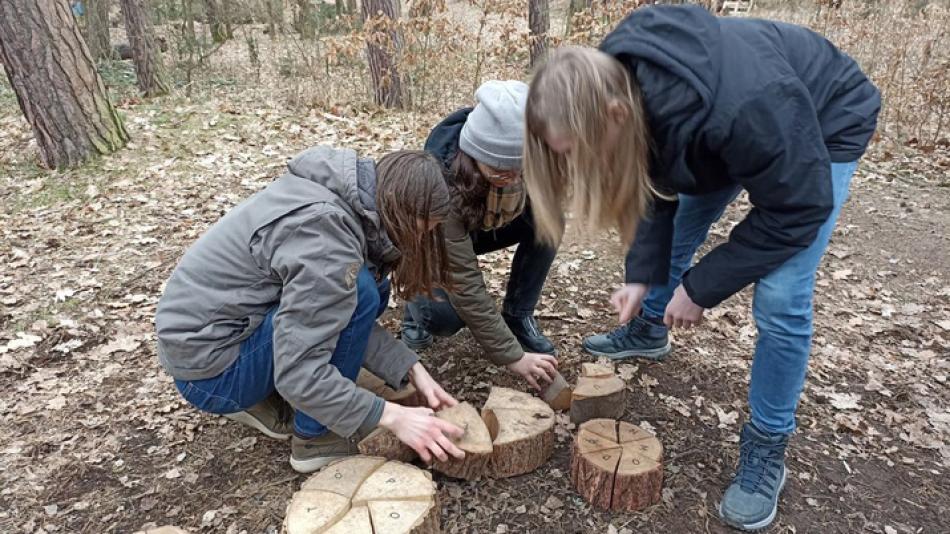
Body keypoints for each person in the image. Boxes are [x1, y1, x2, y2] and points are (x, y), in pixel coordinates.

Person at [522, 5, 879, 531]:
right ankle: (649, 328)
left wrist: (701, 288)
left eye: (577, 152)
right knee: (681, 227)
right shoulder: (616, 76)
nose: (577, 166)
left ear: (615, 116)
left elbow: (797, 208)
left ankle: (766, 448)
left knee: (782, 297)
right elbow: (653, 179)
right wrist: (642, 276)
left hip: (822, 123)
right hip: (727, 135)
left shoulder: (747, 107)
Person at [155, 146, 466, 474]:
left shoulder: (341, 194)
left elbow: (327, 308)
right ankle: (314, 438)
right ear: (402, 211)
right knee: (360, 289)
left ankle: (278, 394)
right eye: (424, 228)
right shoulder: (326, 240)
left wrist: (411, 368)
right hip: (212, 372)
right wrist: (391, 416)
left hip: (209, 339)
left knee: (363, 288)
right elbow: (299, 371)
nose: (423, 238)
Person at [400, 80, 559, 391]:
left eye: (520, 170)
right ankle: (414, 310)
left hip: (479, 225)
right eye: (500, 170)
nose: (511, 179)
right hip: (434, 238)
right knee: (444, 318)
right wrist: (512, 357)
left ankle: (517, 315)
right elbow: (464, 282)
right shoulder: (440, 182)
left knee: (549, 219)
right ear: (474, 155)